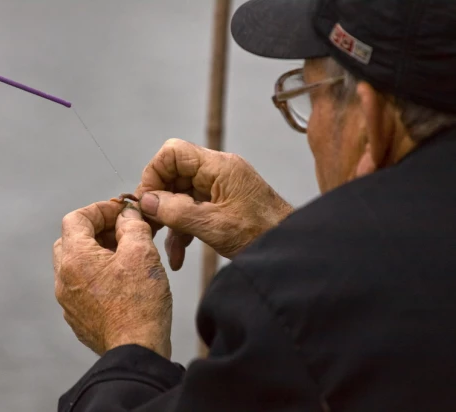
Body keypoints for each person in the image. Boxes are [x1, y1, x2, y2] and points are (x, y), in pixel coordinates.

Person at [53, 0, 456, 410]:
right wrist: (284, 237)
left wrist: (128, 345)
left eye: (308, 95)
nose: (309, 127)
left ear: (372, 123)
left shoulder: (281, 305)